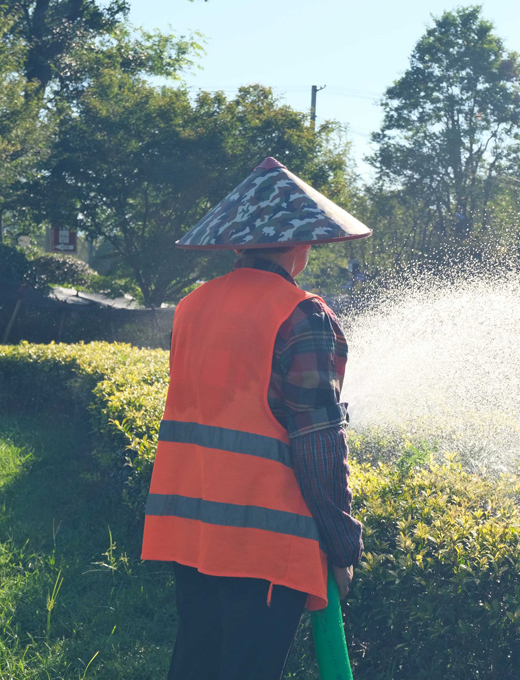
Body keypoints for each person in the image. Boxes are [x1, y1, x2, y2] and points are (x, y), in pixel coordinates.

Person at [141, 157, 372, 680]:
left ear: (238, 243)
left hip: (192, 532)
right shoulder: (303, 316)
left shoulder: (192, 306)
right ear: (300, 245)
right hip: (262, 543)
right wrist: (342, 543)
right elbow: (318, 444)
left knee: (196, 664)